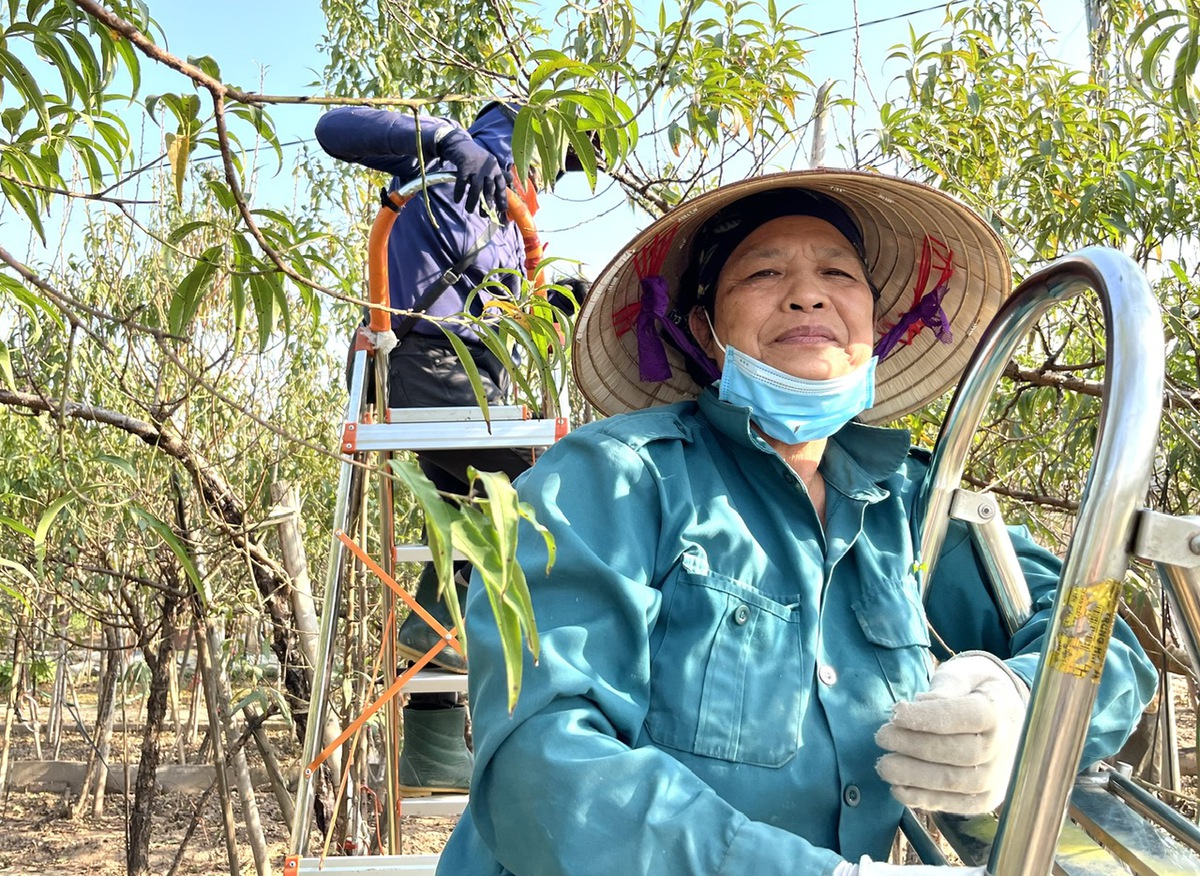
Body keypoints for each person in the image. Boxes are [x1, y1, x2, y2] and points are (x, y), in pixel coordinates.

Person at [435, 170, 1157, 873]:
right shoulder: (613, 480)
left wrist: (1021, 702)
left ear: (874, 325)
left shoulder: (909, 501)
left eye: (839, 275)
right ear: (707, 332)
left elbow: (1099, 639)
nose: (808, 295)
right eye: (763, 275)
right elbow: (542, 766)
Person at [315, 101, 588, 797]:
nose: (550, 177)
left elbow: (495, 310)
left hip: (484, 390)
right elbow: (333, 131)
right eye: (552, 157)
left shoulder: (512, 218)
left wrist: (551, 301)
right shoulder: (444, 162)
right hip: (426, 369)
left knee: (473, 531)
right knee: (531, 508)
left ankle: (433, 737)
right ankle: (434, 656)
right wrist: (444, 140)